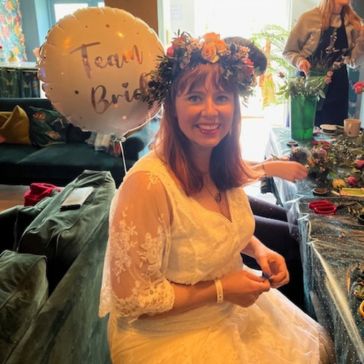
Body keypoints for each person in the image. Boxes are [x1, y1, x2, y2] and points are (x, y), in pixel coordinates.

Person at [99, 32, 334, 363]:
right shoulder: (147, 185)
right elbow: (133, 300)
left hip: (228, 312)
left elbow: (210, 230)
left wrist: (260, 249)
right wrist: (222, 289)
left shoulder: (218, 163)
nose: (210, 111)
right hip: (169, 338)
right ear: (172, 107)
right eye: (195, 97)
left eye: (221, 97)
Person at [283, 0, 364, 126]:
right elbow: (288, 51)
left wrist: (362, 41)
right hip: (308, 82)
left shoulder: (353, 23)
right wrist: (300, 61)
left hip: (338, 86)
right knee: (303, 133)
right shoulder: (308, 18)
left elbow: (352, 61)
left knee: (334, 136)